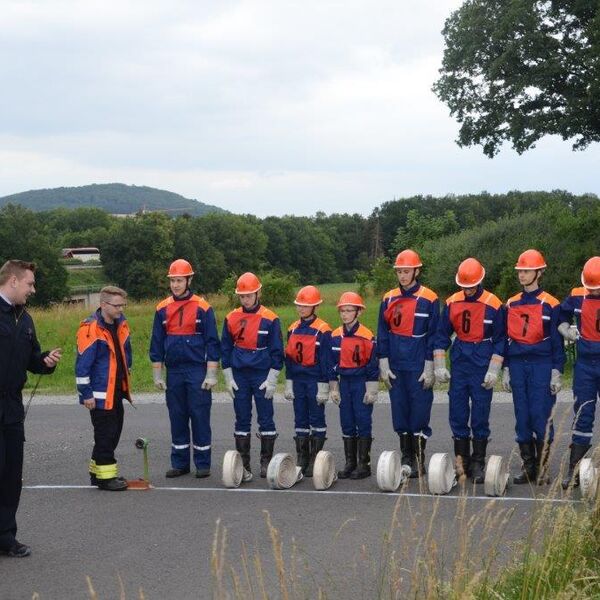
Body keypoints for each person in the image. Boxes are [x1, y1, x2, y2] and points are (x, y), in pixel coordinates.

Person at [0, 260, 61, 558]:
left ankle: (6, 538)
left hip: (12, 407)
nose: (33, 290)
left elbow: (33, 360)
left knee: (11, 475)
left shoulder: (25, 319)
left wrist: (45, 361)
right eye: (29, 284)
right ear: (13, 281)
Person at [433, 258, 505, 483]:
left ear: (480, 280)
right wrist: (439, 365)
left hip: (482, 359)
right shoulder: (452, 301)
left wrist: (494, 369)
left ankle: (478, 462)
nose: (467, 290)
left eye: (471, 286)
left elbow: (501, 340)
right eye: (464, 286)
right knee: (457, 411)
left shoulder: (494, 303)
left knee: (480, 412)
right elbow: (441, 335)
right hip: (461, 358)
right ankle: (461, 461)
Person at [149, 259, 220, 479]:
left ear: (189, 280)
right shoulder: (162, 308)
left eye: (179, 280)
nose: (176, 285)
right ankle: (180, 463)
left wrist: (211, 373)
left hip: (196, 370)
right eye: (172, 281)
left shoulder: (203, 307)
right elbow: (157, 343)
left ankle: (202, 463)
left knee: (199, 415)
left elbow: (212, 342)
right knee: (177, 416)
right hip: (175, 372)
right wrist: (158, 374)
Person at [504, 249, 565, 485]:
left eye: (527, 271)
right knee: (522, 417)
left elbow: (557, 342)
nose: (522, 275)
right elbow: (506, 338)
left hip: (542, 364)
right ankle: (528, 466)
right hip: (518, 364)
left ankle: (542, 468)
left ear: (539, 272)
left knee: (541, 416)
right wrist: (507, 368)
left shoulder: (551, 303)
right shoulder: (510, 303)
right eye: (520, 271)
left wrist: (556, 371)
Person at [377, 249, 439, 478]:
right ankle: (405, 457)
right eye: (399, 272)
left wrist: (430, 364)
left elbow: (434, 335)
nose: (402, 276)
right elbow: (382, 332)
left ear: (417, 271)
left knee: (420, 412)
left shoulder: (430, 298)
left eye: (406, 271)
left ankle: (419, 460)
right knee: (400, 411)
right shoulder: (388, 298)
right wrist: (382, 362)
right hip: (395, 363)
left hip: (418, 365)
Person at [221, 273, 284, 479]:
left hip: (262, 375)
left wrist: (273, 379)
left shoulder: (271, 318)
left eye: (249, 295)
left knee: (266, 418)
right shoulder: (231, 317)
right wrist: (228, 377)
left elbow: (277, 351)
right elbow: (225, 349)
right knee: (242, 418)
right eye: (242, 296)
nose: (245, 300)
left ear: (258, 293)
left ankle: (266, 462)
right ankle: (244, 464)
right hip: (239, 375)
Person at [76, 285, 132, 491]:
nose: (120, 309)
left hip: (115, 392)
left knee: (112, 432)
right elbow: (82, 365)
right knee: (106, 435)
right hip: (99, 396)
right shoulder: (91, 329)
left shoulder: (120, 324)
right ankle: (107, 478)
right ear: (103, 305)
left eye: (122, 305)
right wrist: (86, 394)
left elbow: (126, 353)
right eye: (117, 305)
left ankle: (96, 472)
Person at [558, 256, 600, 489]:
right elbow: (561, 315)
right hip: (585, 364)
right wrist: (565, 329)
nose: (593, 292)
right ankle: (575, 469)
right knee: (582, 414)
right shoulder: (576, 294)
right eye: (590, 288)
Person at [329, 292, 378, 479]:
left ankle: (363, 464)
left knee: (363, 421)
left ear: (359, 312)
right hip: (344, 384)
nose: (345, 314)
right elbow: (330, 364)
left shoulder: (367, 336)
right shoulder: (335, 336)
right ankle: (350, 462)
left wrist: (371, 389)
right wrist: (333, 388)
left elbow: (372, 365)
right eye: (342, 310)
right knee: (347, 421)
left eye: (349, 310)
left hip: (360, 383)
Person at [284, 286, 332, 476]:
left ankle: (316, 459)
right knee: (300, 419)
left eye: (306, 306)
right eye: (299, 306)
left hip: (314, 380)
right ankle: (302, 457)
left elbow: (327, 360)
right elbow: (288, 357)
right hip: (297, 379)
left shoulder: (323, 329)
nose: (301, 309)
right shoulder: (292, 327)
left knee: (316, 419)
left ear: (315, 307)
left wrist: (324, 386)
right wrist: (288, 381)